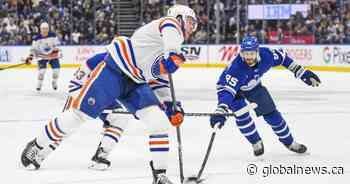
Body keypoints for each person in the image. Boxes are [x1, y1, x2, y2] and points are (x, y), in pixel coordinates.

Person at [20, 4, 197, 184]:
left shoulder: (167, 48)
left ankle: (159, 175)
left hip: (135, 83)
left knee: (158, 121)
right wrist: (173, 53)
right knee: (79, 116)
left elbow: (160, 82)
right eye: (190, 22)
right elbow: (170, 29)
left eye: (194, 25)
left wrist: (170, 106)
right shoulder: (168, 25)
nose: (192, 28)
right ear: (179, 17)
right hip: (115, 71)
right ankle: (37, 145)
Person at [66, 51, 183, 171]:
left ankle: (101, 155)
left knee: (120, 118)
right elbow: (77, 83)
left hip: (104, 93)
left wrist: (173, 108)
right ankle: (46, 147)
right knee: (67, 126)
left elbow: (160, 89)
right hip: (82, 91)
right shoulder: (104, 58)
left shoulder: (143, 61)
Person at [210, 36, 321, 156]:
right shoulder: (237, 68)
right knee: (242, 116)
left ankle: (289, 142)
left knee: (272, 114)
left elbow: (284, 59)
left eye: (251, 54)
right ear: (241, 53)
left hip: (253, 86)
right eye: (245, 54)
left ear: (257, 52)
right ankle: (255, 142)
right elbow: (227, 91)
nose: (248, 57)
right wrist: (221, 108)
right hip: (232, 91)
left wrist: (301, 72)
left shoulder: (267, 55)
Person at [25, 22, 61, 91]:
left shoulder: (53, 35)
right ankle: (39, 83)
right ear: (40, 29)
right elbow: (33, 49)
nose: (45, 30)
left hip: (52, 56)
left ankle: (54, 82)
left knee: (56, 71)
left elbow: (57, 45)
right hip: (42, 57)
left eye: (46, 29)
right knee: (42, 72)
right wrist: (30, 58)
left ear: (48, 29)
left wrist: (56, 50)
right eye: (43, 29)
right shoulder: (36, 38)